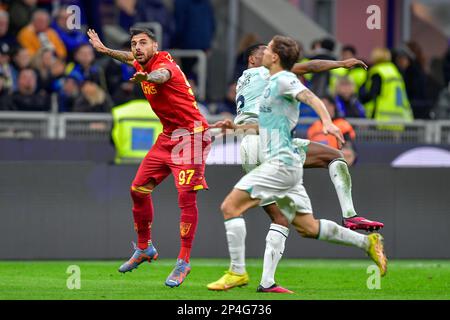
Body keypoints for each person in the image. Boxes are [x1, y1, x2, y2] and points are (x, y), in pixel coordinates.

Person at [207, 40, 385, 293]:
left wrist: (234, 128)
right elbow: (309, 69)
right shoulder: (268, 74)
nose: (272, 55)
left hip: (249, 147)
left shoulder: (247, 81)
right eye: (266, 52)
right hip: (270, 146)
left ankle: (364, 243)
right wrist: (341, 64)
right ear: (253, 59)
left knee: (296, 223)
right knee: (334, 155)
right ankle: (350, 215)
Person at [87, 27, 211, 287]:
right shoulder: (140, 60)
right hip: (168, 137)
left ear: (155, 46)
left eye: (143, 43)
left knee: (186, 198)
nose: (137, 48)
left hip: (192, 137)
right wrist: (105, 50)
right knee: (137, 190)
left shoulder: (163, 64)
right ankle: (145, 248)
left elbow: (162, 75)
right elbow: (128, 58)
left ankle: (183, 262)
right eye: (134, 44)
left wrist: (149, 77)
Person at [360, 47, 413, 123]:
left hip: (382, 117)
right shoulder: (395, 71)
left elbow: (373, 93)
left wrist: (361, 95)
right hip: (398, 117)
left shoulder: (378, 72)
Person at [308, 95, 357, 165]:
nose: (323, 109)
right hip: (316, 164)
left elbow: (348, 148)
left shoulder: (342, 124)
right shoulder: (313, 126)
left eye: (325, 106)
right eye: (320, 106)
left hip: (335, 163)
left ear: (332, 106)